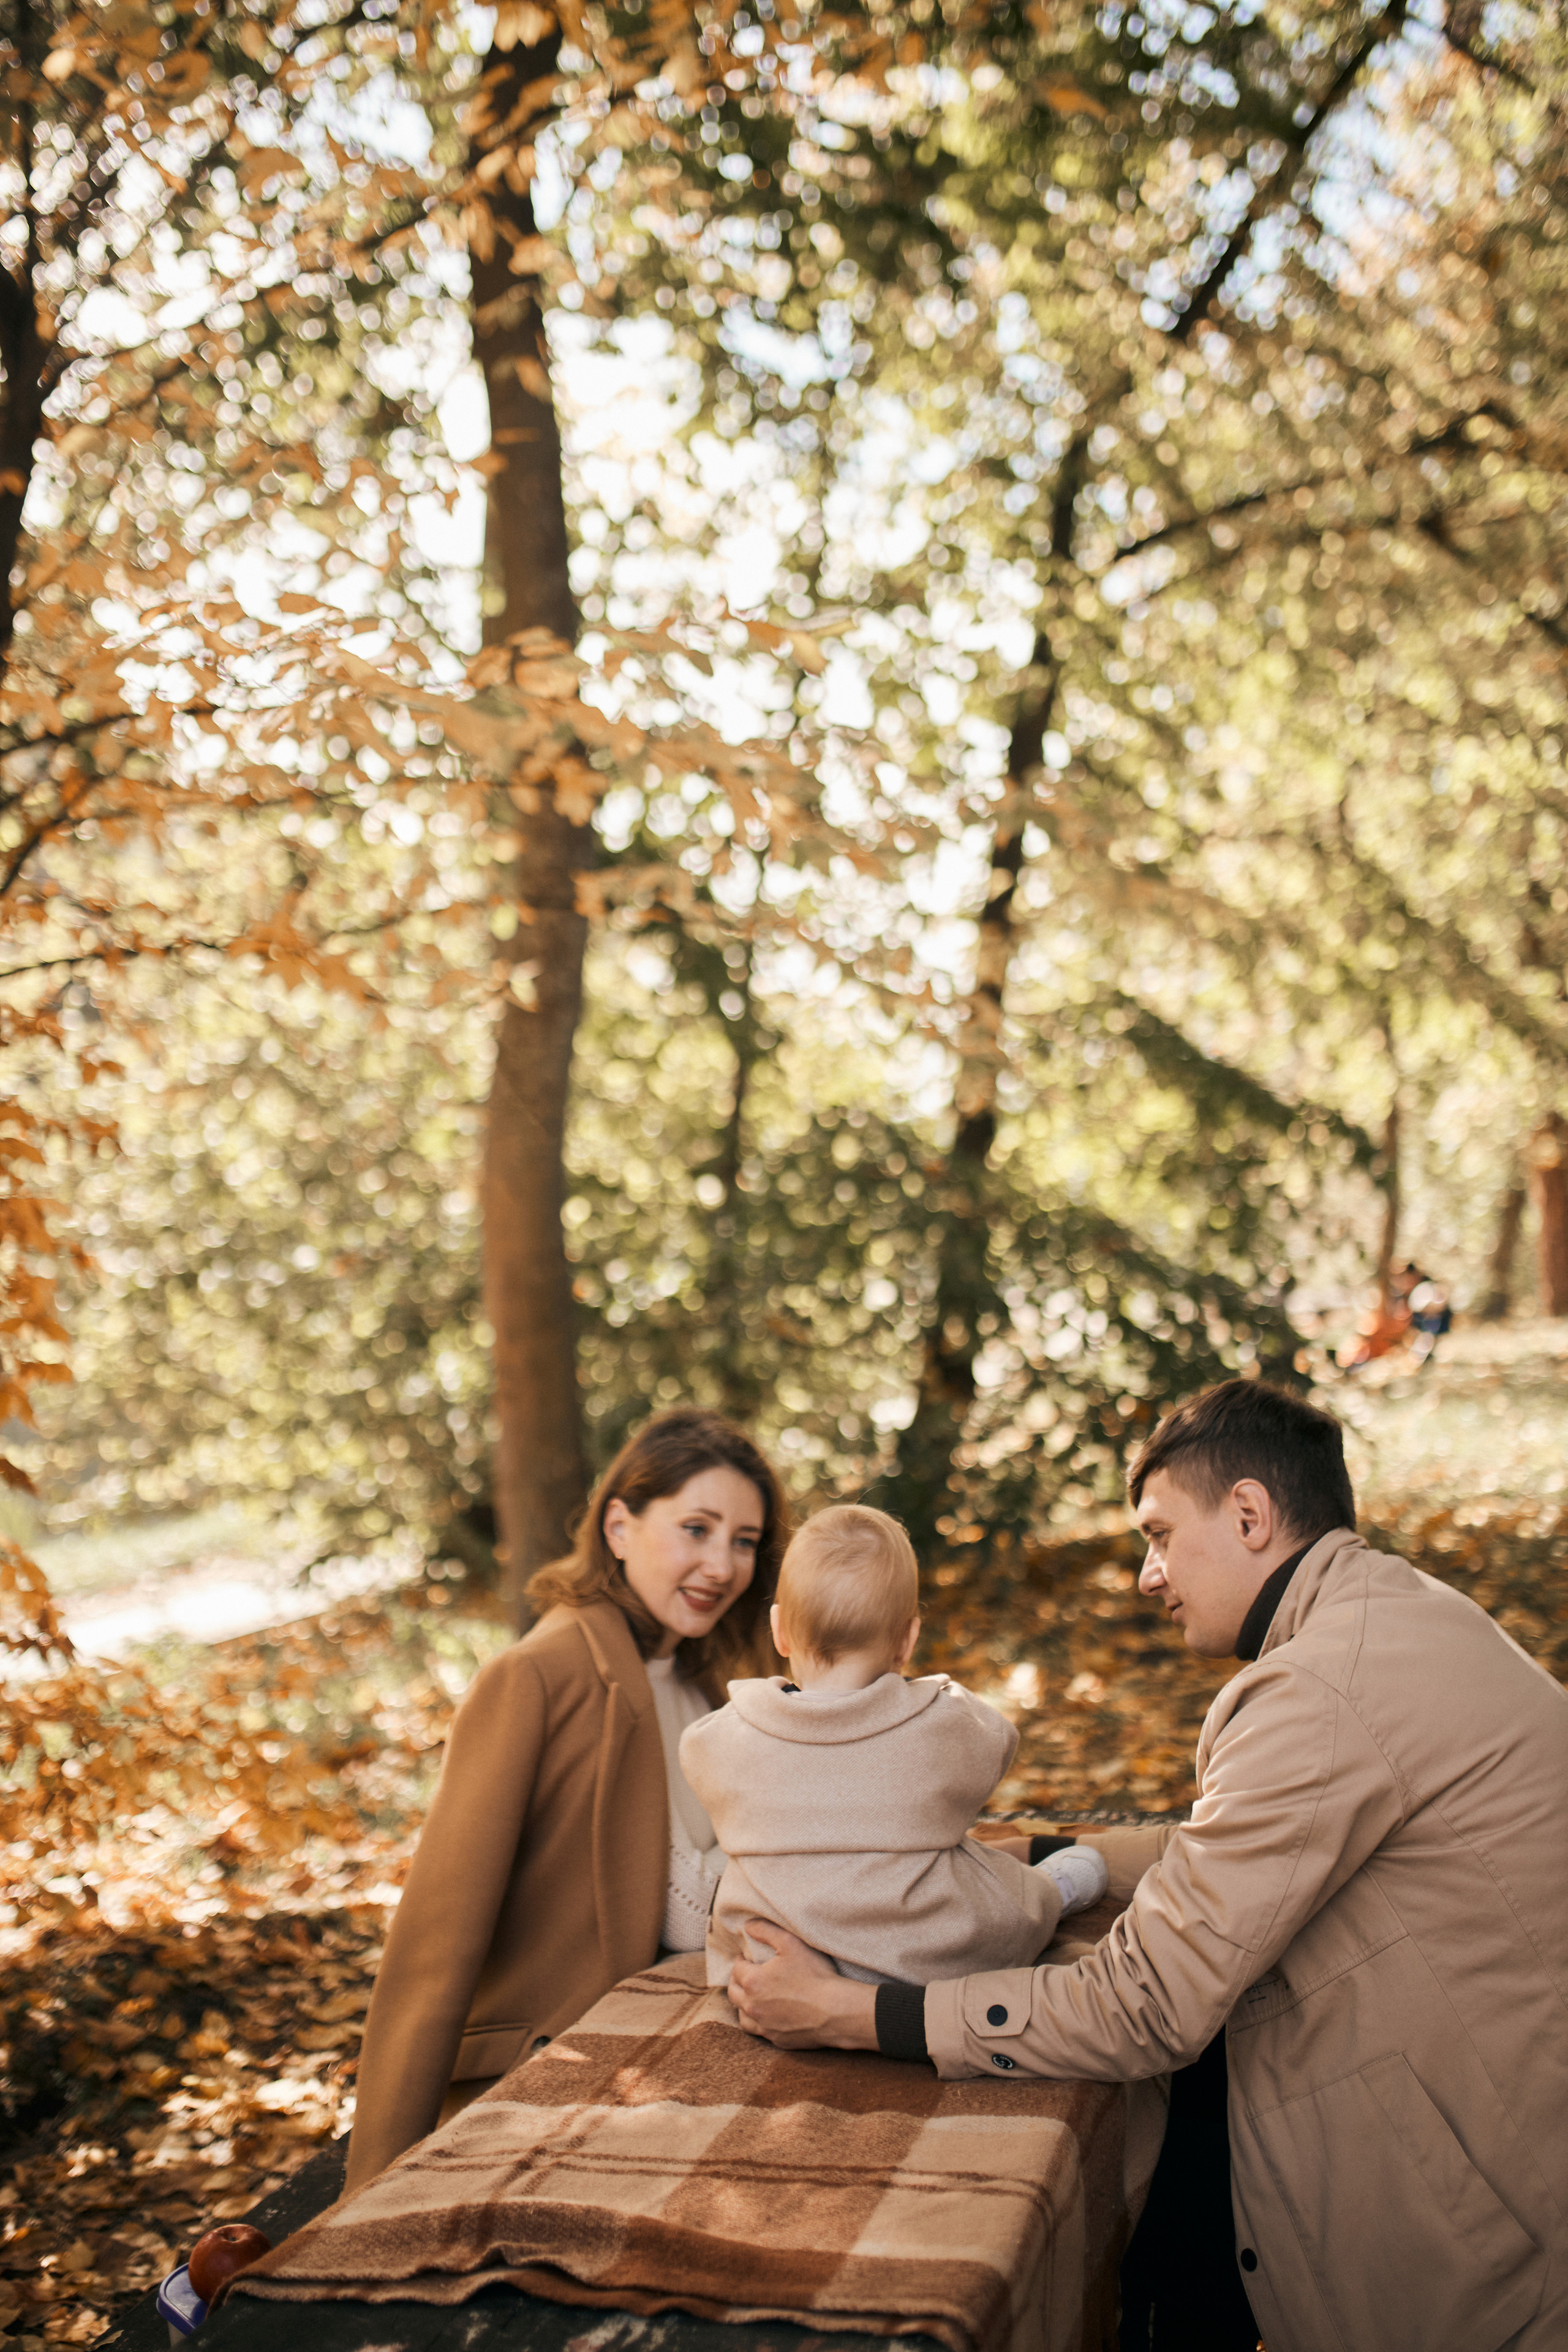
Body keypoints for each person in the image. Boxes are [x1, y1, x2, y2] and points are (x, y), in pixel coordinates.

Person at [726, 1381, 1568, 2352]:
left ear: (1250, 1514)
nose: (1146, 1575)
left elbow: (1147, 2006)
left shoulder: (1318, 1689)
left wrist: (854, 2014)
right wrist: (1024, 1853)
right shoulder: (1395, 1618)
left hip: (1484, 2262)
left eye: (1160, 1536)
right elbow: (1236, 1853)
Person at [344, 1406, 788, 2194]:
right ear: (619, 1525)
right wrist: (374, 2178)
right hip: (553, 2076)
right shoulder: (539, 1677)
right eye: (696, 1528)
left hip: (690, 2042)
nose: (722, 1564)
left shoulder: (704, 1680)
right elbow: (435, 1946)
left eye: (744, 1541)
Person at [681, 1503, 1107, 1988]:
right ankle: (1052, 1893)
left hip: (772, 1958)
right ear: (907, 1640)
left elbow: (695, 1754)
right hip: (919, 1953)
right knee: (998, 1890)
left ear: (779, 1631)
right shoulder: (939, 1723)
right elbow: (998, 1743)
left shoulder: (726, 1734)